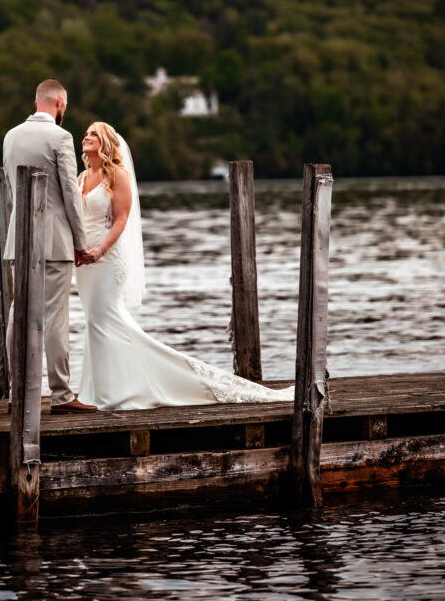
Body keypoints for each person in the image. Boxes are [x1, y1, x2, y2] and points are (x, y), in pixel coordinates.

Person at [75, 122, 296, 411]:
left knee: (105, 322)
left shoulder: (118, 175)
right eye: (86, 133)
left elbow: (121, 219)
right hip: (84, 264)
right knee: (95, 324)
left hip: (106, 259)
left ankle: (118, 392)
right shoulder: (80, 178)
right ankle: (99, 391)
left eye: (93, 133)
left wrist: (100, 249)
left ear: (105, 142)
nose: (86, 137)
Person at [3, 79, 97, 414]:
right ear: (59, 102)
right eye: (65, 105)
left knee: (18, 316)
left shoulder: (10, 136)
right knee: (55, 317)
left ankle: (18, 395)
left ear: (36, 100)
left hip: (18, 239)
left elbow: (15, 193)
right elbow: (70, 193)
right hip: (55, 241)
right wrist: (81, 241)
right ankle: (62, 395)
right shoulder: (61, 137)